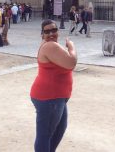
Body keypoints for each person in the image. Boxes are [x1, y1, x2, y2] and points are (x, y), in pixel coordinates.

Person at [30, 20, 77, 152]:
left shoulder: (50, 45)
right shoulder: (50, 46)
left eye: (54, 30)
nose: (51, 33)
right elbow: (71, 62)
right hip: (49, 98)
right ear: (42, 34)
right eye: (47, 31)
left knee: (57, 130)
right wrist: (71, 47)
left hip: (55, 98)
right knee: (45, 135)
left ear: (58, 31)